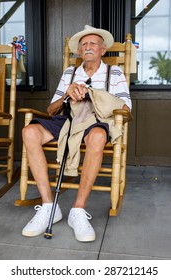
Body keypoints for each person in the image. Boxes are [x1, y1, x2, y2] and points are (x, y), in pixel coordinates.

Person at [22, 25, 132, 242]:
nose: (87, 47)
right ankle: (48, 206)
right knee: (30, 131)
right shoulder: (69, 73)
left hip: (97, 121)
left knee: (98, 136)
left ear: (102, 50)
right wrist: (67, 95)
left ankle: (78, 210)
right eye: (83, 45)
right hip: (68, 119)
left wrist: (93, 95)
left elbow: (126, 109)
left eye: (93, 43)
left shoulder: (115, 73)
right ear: (80, 52)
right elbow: (51, 110)